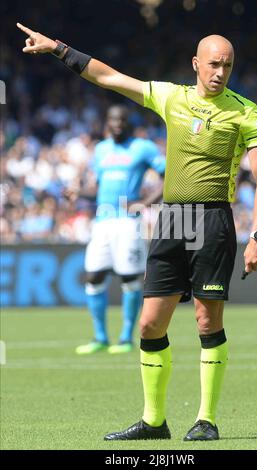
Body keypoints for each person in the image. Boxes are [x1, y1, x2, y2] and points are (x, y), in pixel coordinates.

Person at [17, 24, 257, 441]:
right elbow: (109, 76)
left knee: (207, 321)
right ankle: (154, 422)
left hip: (212, 219)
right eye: (213, 64)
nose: (220, 72)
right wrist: (58, 49)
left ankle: (206, 419)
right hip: (172, 219)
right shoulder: (171, 96)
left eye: (227, 65)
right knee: (149, 325)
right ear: (196, 64)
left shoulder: (246, 112)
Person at [74, 104, 165, 355]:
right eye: (112, 120)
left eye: (121, 120)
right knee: (93, 276)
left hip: (128, 221)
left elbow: (168, 176)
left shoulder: (143, 147)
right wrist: (78, 192)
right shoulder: (101, 150)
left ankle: (125, 338)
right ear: (107, 122)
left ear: (129, 123)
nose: (116, 124)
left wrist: (145, 203)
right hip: (102, 220)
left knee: (129, 277)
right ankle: (100, 337)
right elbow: (98, 187)